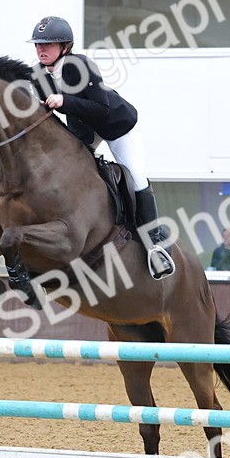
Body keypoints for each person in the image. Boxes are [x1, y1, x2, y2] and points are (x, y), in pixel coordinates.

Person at [26, 15, 175, 279]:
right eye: (38, 45)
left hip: (116, 126)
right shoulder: (37, 74)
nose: (41, 50)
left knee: (136, 178)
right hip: (83, 130)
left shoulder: (82, 65)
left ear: (65, 47)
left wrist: (64, 101)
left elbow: (101, 109)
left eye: (48, 44)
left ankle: (155, 246)